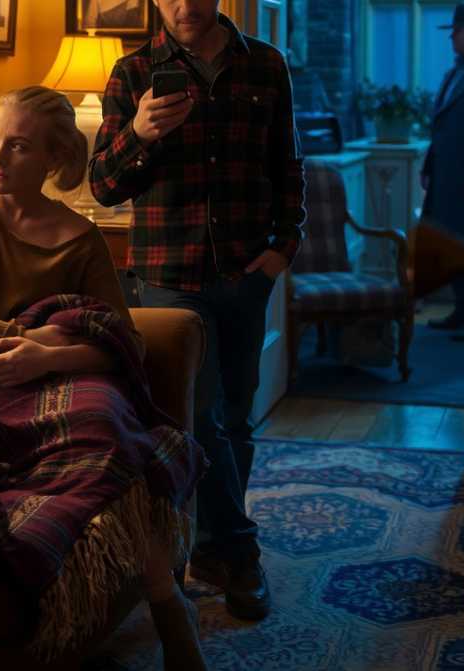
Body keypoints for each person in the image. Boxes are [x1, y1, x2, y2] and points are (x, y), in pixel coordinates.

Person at [0, 86, 207, 670]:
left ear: (54, 159)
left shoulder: (80, 239)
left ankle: (169, 604)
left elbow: (124, 344)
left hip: (41, 383)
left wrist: (47, 358)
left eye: (18, 146)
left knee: (108, 426)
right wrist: (20, 337)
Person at [89, 0, 306, 621]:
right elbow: (103, 185)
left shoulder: (266, 64)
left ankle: (206, 549)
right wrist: (141, 133)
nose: (185, 5)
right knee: (202, 416)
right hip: (169, 276)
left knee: (235, 416)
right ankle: (241, 551)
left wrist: (283, 248)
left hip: (247, 270)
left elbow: (287, 164)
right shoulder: (133, 73)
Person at [420, 2, 464, 341]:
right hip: (447, 174)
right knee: (453, 239)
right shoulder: (458, 70)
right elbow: (441, 124)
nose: (452, 38)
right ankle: (463, 309)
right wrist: (429, 165)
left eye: (458, 31)